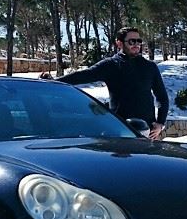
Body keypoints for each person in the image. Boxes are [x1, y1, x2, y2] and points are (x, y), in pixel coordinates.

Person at [40, 26, 169, 140]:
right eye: (131, 41)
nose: (136, 44)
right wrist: (53, 83)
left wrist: (160, 123)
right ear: (119, 43)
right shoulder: (111, 65)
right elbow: (83, 76)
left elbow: (162, 97)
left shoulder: (150, 67)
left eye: (138, 41)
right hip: (119, 130)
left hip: (147, 131)